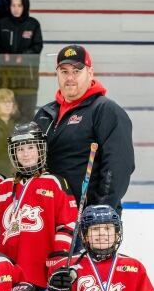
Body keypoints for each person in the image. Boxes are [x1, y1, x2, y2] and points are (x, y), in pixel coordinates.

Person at [33, 45, 134, 212]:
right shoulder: (45, 114)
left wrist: (101, 210)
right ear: (57, 74)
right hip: (48, 215)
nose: (70, 77)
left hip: (88, 219)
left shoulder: (105, 110)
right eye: (64, 71)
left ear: (90, 73)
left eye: (77, 71)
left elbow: (118, 166)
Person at [0, 122, 77, 290]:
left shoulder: (55, 183)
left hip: (41, 270)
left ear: (40, 150)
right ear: (13, 153)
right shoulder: (4, 187)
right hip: (7, 273)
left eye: (31, 148)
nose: (25, 154)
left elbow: (67, 224)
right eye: (20, 149)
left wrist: (60, 257)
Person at [0, 0, 43, 122]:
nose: (16, 9)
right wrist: (4, 55)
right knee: (5, 117)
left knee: (26, 117)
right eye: (13, 5)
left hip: (27, 80)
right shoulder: (1, 24)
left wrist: (24, 56)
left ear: (25, 6)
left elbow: (37, 47)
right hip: (5, 79)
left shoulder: (33, 24)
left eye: (19, 5)